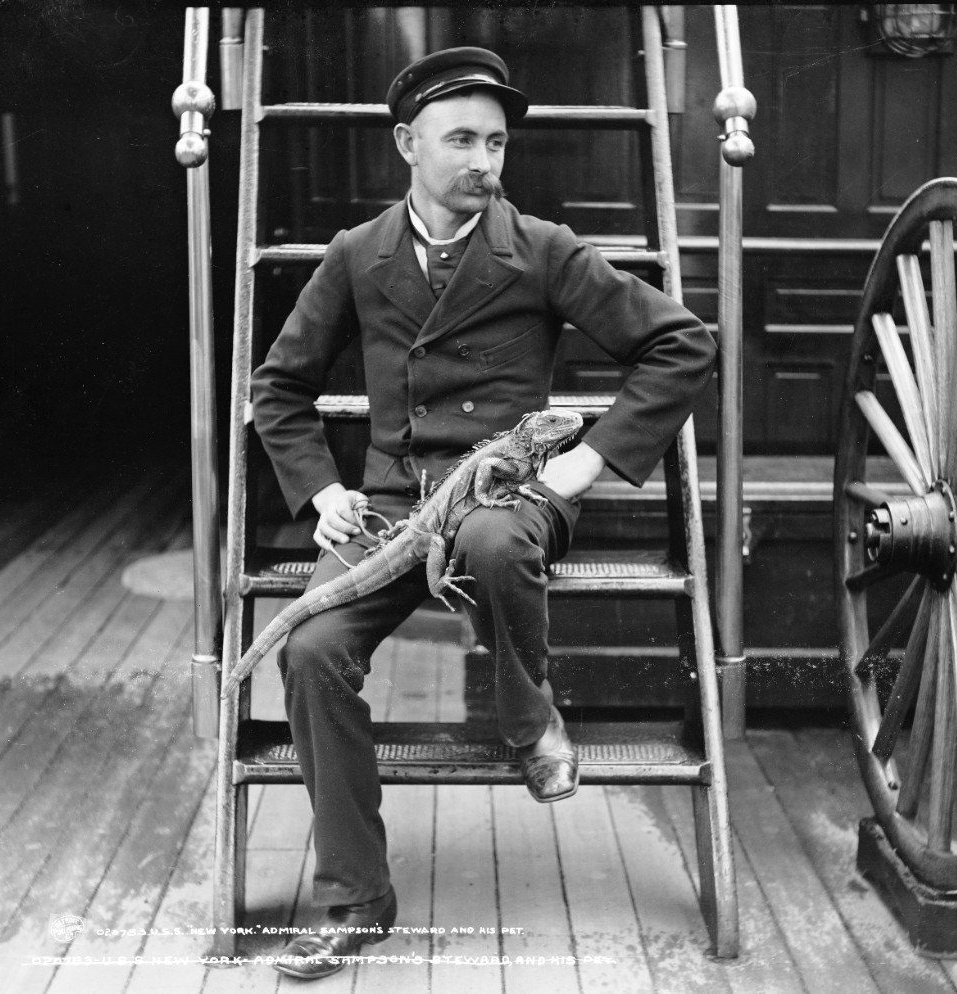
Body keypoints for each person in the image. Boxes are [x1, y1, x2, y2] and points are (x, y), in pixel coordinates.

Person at [249, 46, 717, 979]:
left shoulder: (541, 248)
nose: (484, 161)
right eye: (460, 139)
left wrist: (583, 466)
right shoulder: (358, 255)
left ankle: (528, 719)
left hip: (515, 491)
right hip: (389, 504)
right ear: (406, 146)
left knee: (497, 541)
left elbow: (681, 343)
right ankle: (354, 899)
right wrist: (325, 490)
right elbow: (279, 387)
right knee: (307, 650)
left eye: (496, 141)